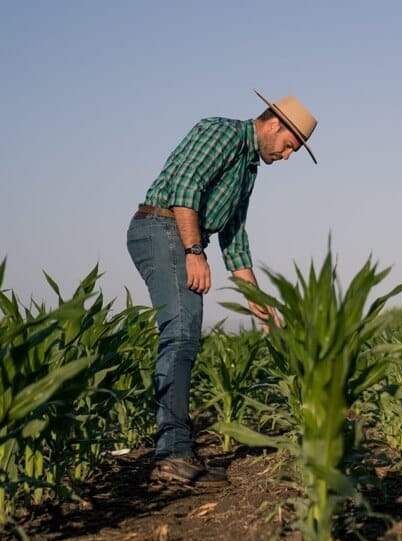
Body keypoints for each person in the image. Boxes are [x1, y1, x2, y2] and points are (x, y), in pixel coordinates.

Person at [126, 90, 317, 486]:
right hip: (162, 229)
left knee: (184, 336)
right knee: (180, 336)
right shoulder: (224, 133)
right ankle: (171, 454)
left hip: (175, 233)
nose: (287, 156)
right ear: (273, 123)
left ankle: (178, 448)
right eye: (288, 146)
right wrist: (194, 250)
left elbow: (234, 237)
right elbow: (185, 185)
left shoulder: (249, 169)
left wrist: (260, 305)